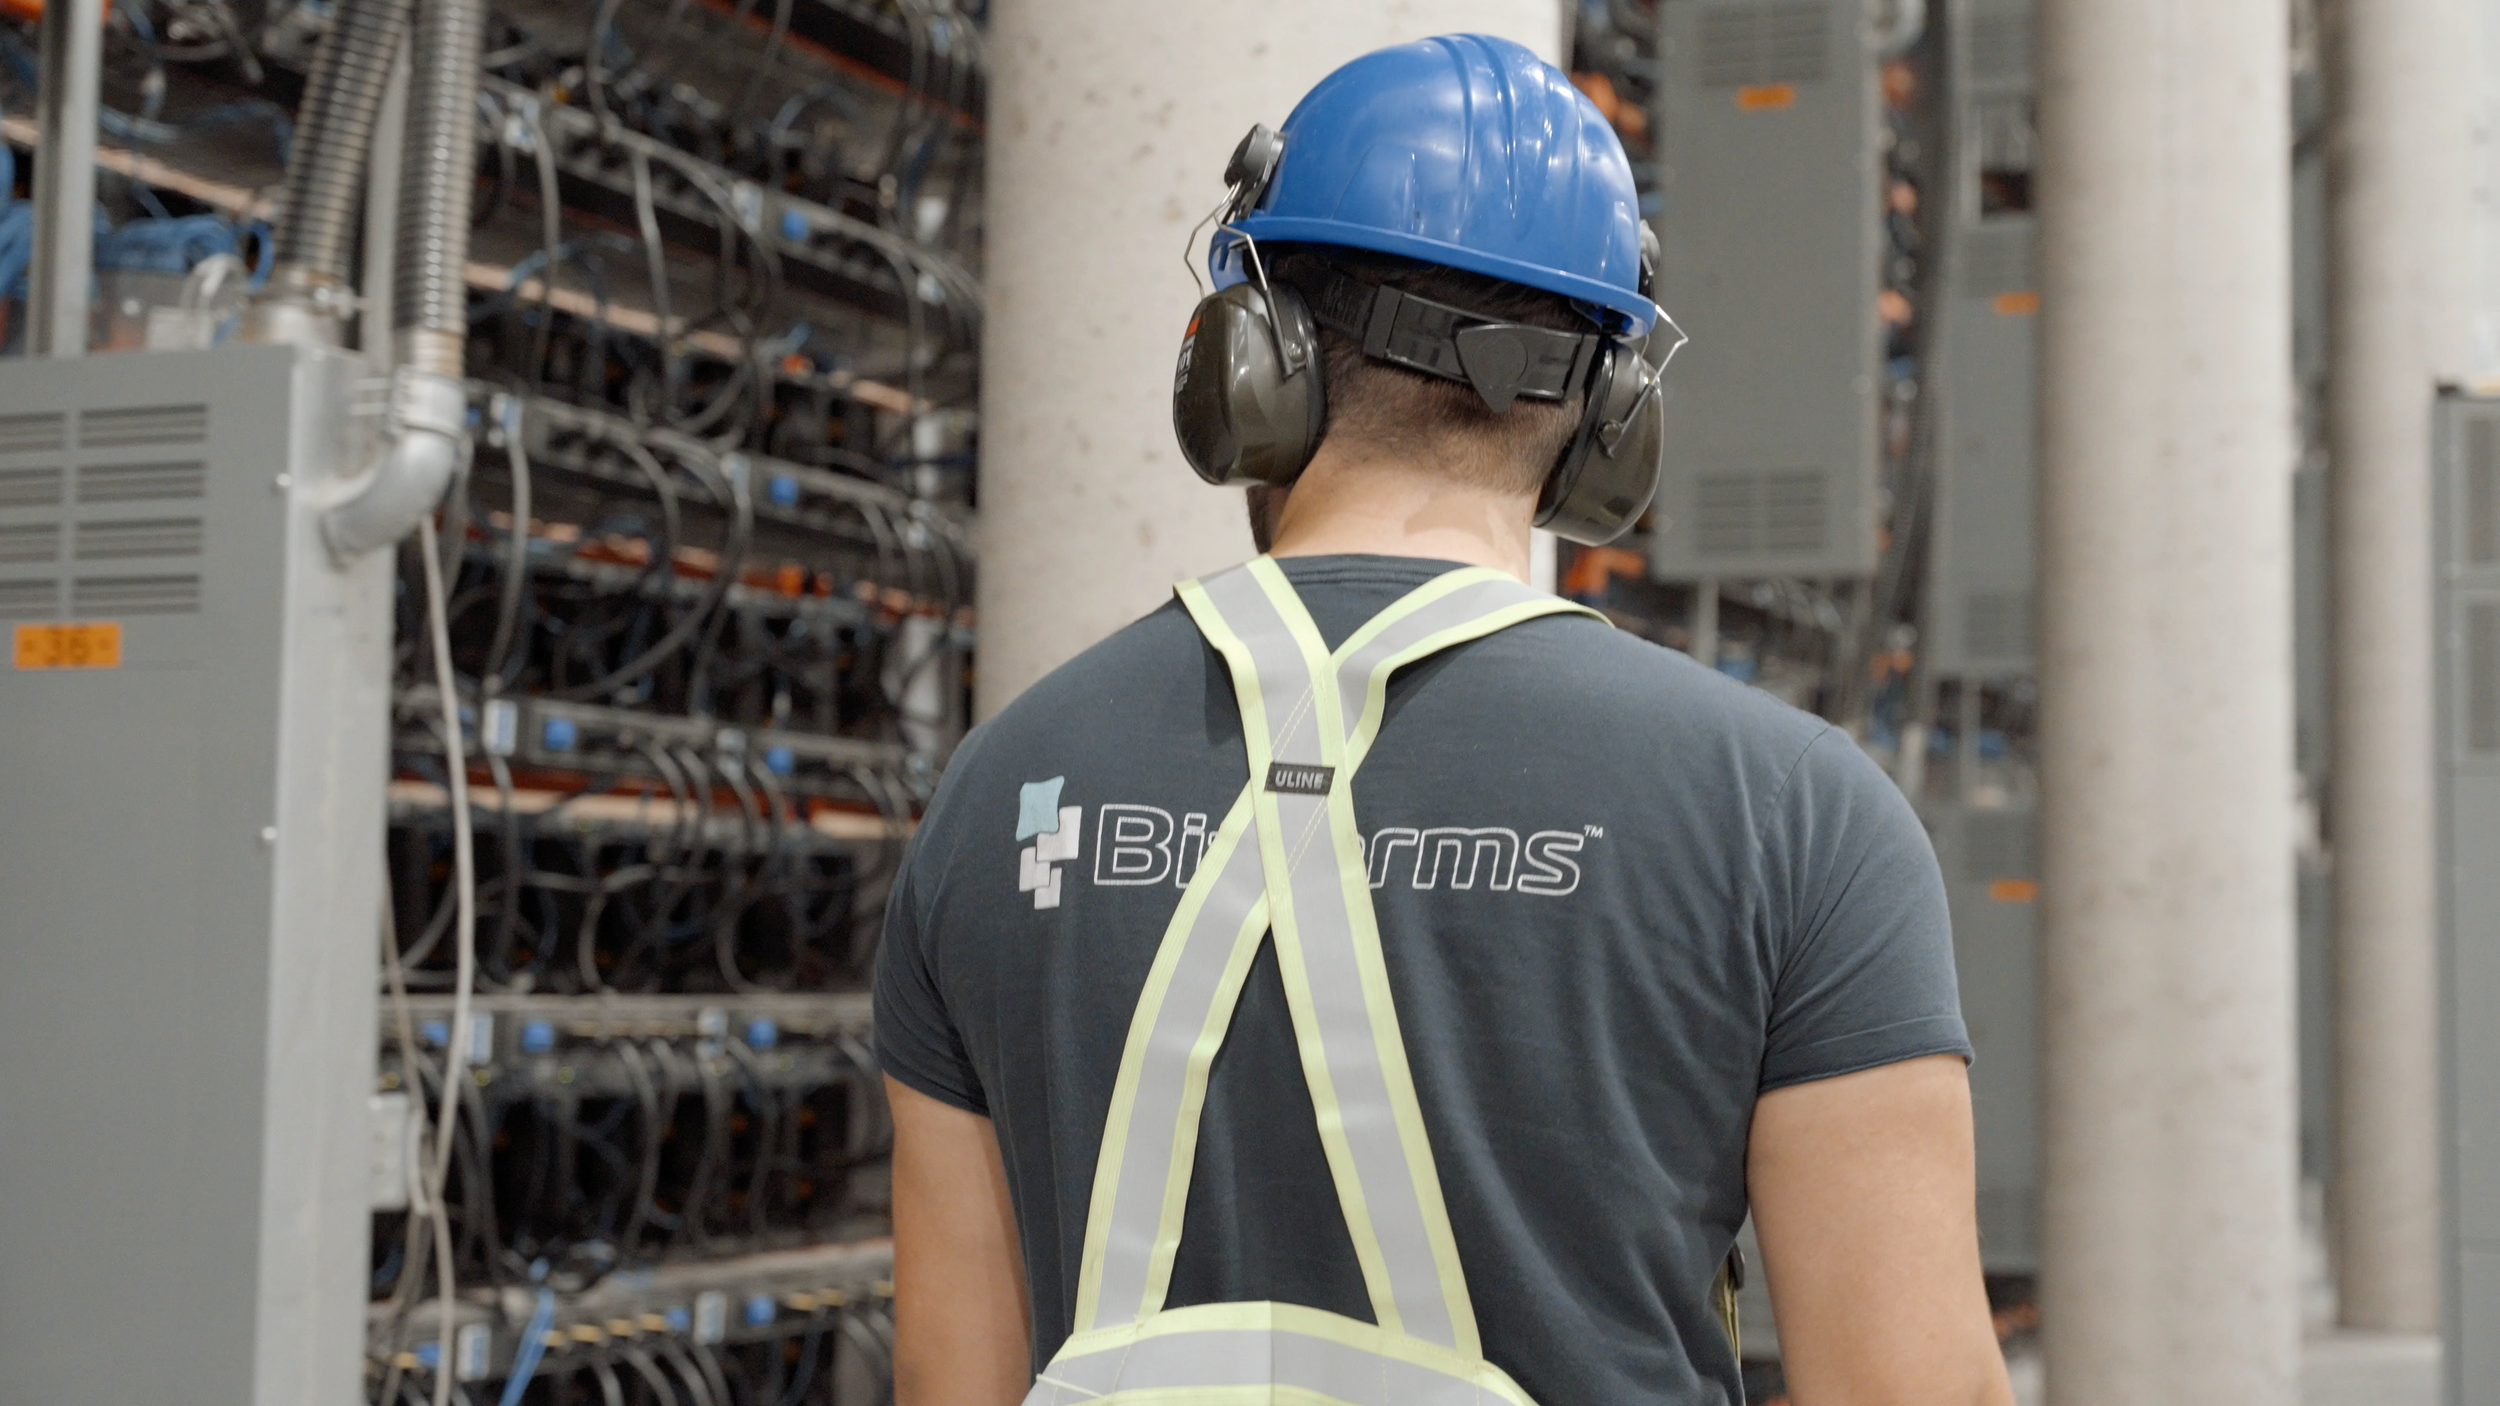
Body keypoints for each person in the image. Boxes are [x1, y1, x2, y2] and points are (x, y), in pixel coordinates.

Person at [873, 33, 2014, 1406]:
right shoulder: (1800, 818)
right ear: (1611, 417)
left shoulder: (999, 790)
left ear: (1253, 355)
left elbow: (952, 1379)